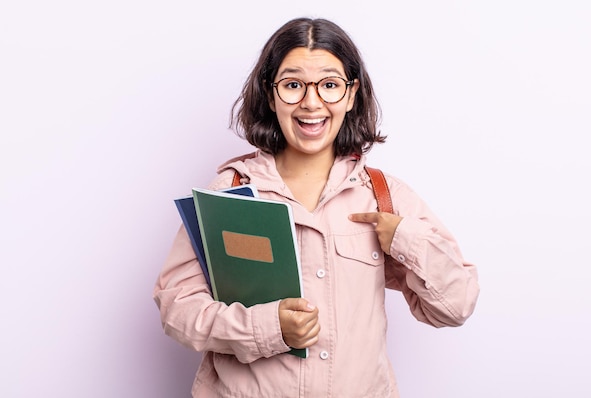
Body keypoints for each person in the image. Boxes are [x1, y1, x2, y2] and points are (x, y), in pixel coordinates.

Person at [153, 17, 480, 398]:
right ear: (270, 93)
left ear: (351, 93)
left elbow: (456, 306)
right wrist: (268, 328)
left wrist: (406, 238)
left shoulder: (383, 195)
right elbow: (177, 309)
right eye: (293, 85)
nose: (311, 102)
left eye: (329, 85)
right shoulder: (230, 192)